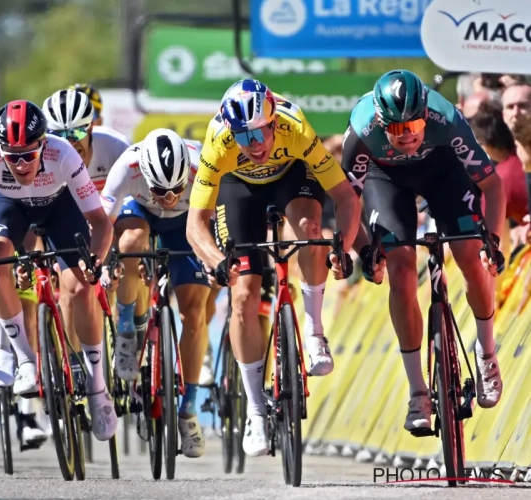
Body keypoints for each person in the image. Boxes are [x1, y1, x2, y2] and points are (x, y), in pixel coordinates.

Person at [186, 78, 361, 456]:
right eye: (244, 138)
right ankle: (254, 408)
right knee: (243, 295)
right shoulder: (219, 142)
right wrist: (217, 263)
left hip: (292, 175)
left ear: (272, 122)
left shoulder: (294, 127)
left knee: (311, 232)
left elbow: (345, 197)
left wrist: (342, 247)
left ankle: (314, 332)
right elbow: (194, 223)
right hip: (240, 188)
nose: (256, 145)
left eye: (261, 133)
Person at [341, 69, 506, 432]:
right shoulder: (362, 129)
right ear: (381, 122)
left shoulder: (445, 118)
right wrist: (364, 250)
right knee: (400, 271)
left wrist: (492, 242)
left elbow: (493, 187)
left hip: (443, 170)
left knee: (470, 254)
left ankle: (487, 353)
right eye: (398, 129)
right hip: (387, 181)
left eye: (415, 124)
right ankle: (418, 391)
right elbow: (346, 201)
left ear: (425, 113)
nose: (409, 135)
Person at [0, 99, 117, 441]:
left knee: (79, 286)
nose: (20, 165)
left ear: (43, 144)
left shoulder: (63, 154)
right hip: (10, 207)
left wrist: (94, 262)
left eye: (28, 156)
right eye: (12, 157)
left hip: (59, 206)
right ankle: (27, 362)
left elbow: (100, 224)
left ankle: (96, 386)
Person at [100, 128, 210, 458]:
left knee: (195, 311)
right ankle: (126, 330)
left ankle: (188, 410)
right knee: (130, 243)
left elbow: (215, 222)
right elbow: (104, 223)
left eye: (177, 188)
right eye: (161, 189)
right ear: (144, 174)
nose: (170, 196)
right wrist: (107, 264)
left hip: (186, 224)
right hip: (140, 214)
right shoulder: (127, 167)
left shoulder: (201, 167)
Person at [41, 89, 130, 387]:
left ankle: (126, 331)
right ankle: (74, 361)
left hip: (109, 217)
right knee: (70, 286)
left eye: (78, 130)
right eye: (61, 134)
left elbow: (130, 204)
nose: (71, 141)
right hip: (68, 219)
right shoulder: (46, 155)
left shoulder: (115, 147)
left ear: (92, 125)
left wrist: (115, 252)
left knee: (121, 267)